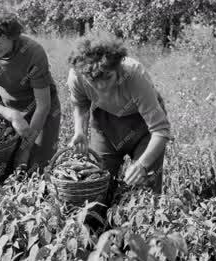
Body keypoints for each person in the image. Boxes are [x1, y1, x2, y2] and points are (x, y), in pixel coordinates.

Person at [67, 37, 171, 227]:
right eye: (93, 81)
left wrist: (142, 165)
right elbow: (80, 104)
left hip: (143, 125)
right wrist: (79, 131)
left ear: (118, 69)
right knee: (97, 182)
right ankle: (98, 235)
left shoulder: (134, 75)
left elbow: (160, 131)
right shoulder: (77, 75)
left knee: (145, 186)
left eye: (107, 77)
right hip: (105, 122)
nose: (101, 87)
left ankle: (144, 238)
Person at [0, 11, 61, 173]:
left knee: (37, 163)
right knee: (6, 159)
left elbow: (43, 105)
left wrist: (26, 148)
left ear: (13, 38)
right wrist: (11, 115)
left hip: (40, 109)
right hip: (5, 105)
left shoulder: (33, 52)